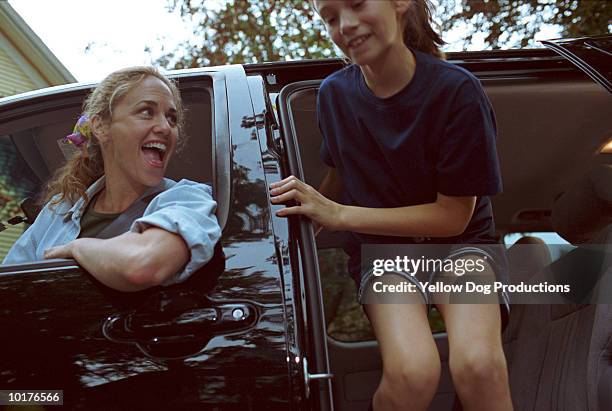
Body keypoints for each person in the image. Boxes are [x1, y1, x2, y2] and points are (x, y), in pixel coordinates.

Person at [269, 1, 513, 410]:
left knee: (479, 366)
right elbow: (344, 169)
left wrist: (340, 214)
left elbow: (454, 217)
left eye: (358, 4)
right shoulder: (333, 96)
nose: (345, 25)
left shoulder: (457, 91)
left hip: (461, 246)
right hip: (383, 255)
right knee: (412, 373)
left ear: (400, 4)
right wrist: (314, 209)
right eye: (330, 17)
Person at [3, 66, 221, 292]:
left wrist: (78, 248)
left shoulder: (188, 199)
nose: (165, 127)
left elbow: (143, 264)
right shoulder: (58, 210)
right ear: (101, 127)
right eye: (147, 112)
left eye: (172, 118)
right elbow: (8, 289)